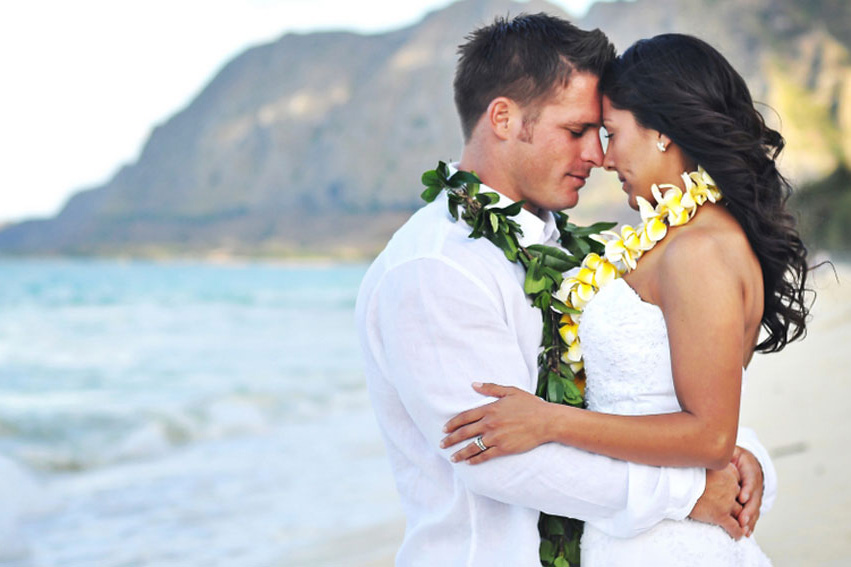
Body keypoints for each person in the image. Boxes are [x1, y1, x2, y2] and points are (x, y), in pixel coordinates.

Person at [356, 15, 776, 566]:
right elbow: (497, 457)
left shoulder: (585, 255)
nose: (597, 157)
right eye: (576, 131)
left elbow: (655, 395)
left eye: (601, 133)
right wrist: (690, 491)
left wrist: (747, 461)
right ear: (504, 118)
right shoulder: (433, 270)